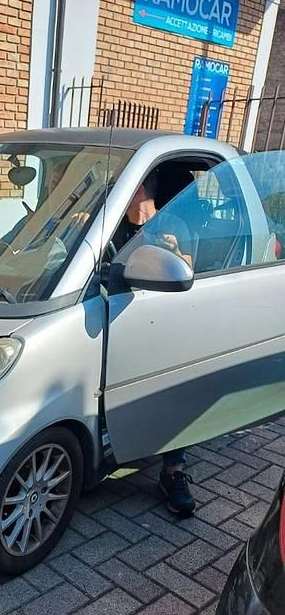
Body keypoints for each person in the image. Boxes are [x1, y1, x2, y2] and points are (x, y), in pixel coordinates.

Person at [112, 170, 196, 517]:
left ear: (139, 189)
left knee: (173, 388)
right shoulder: (112, 225)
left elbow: (190, 271)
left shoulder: (174, 223)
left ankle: (173, 471)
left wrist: (176, 252)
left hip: (164, 319)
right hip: (121, 316)